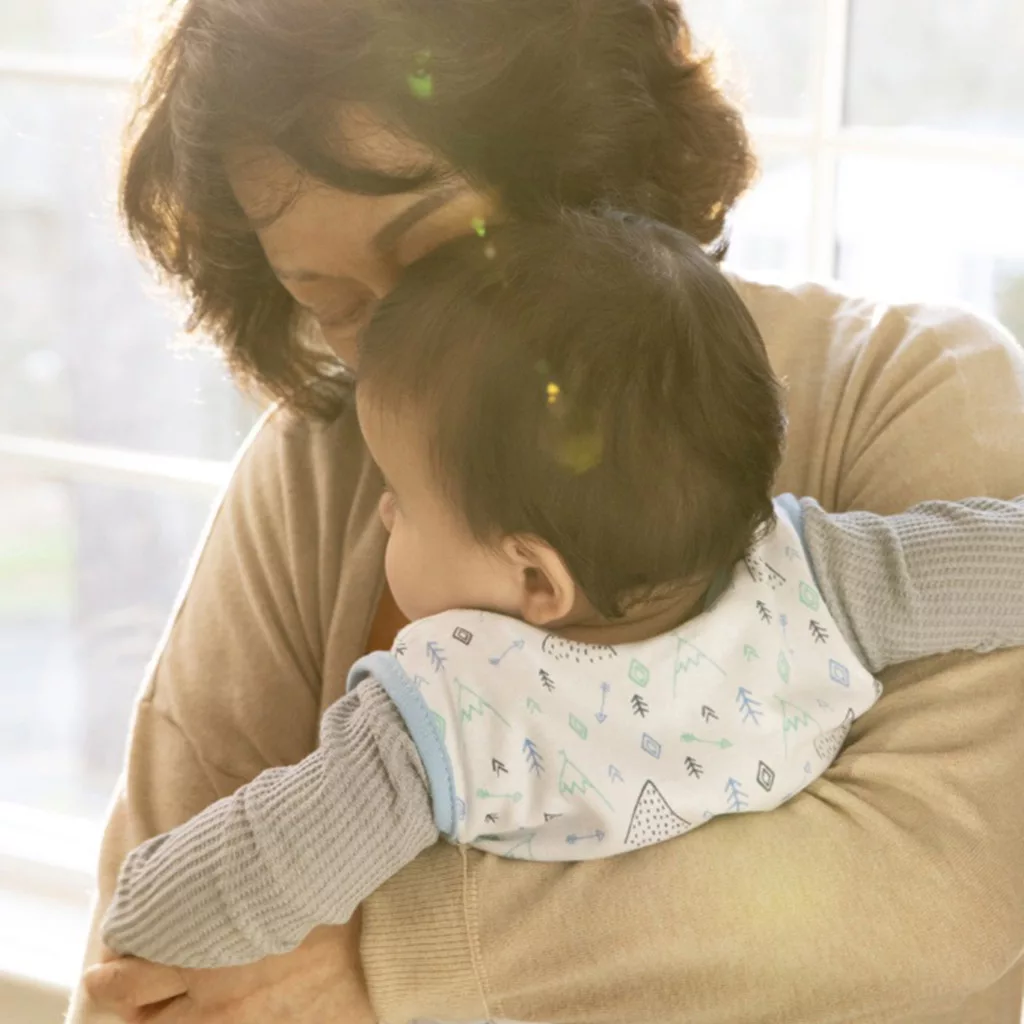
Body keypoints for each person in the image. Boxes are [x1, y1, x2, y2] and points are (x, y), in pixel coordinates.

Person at [72, 0, 1024, 1021]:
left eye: (438, 253)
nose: (387, 350)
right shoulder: (321, 460)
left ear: (584, 162)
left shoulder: (909, 386)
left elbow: (947, 880)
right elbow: (135, 970)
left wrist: (383, 966)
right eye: (330, 302)